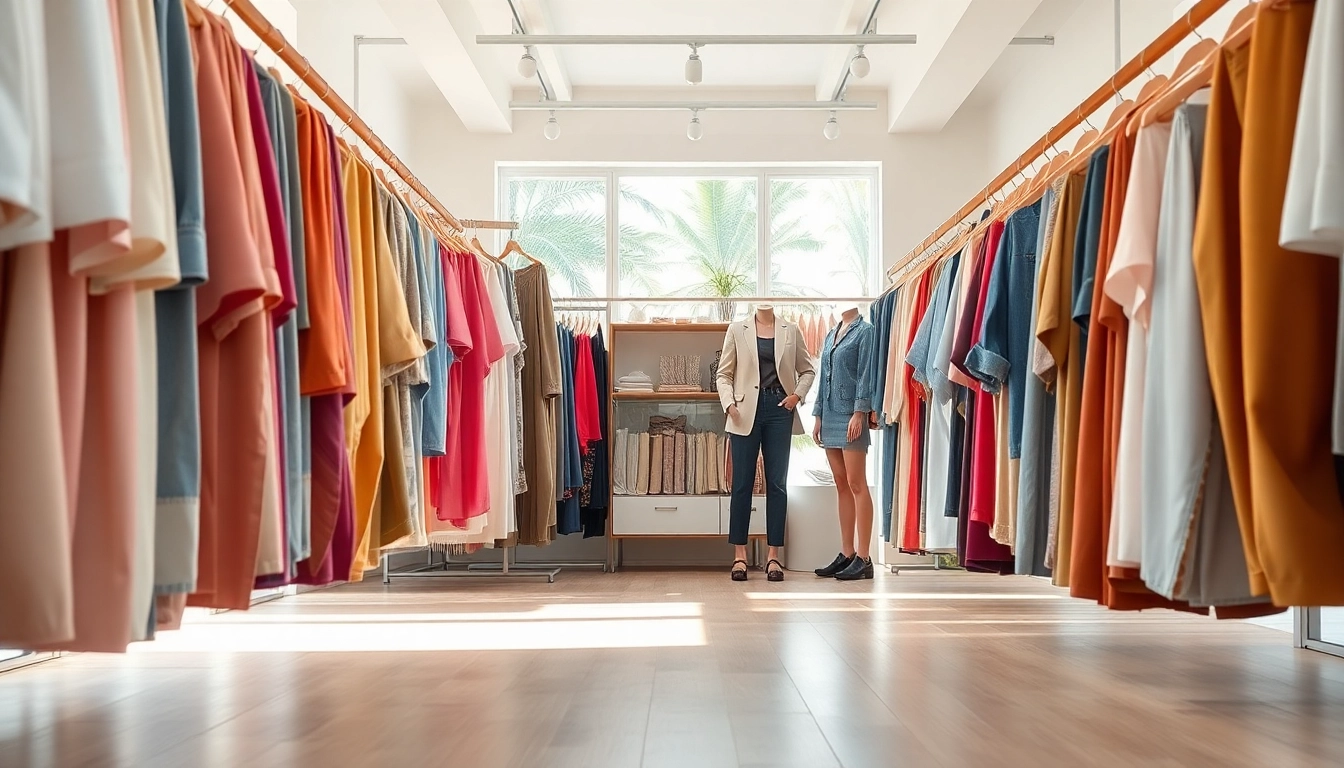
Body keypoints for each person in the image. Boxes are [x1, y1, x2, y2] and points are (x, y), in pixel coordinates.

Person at [716, 304, 816, 582]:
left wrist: (796, 396)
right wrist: (728, 404)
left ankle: (774, 556)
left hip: (779, 408)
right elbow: (723, 374)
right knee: (742, 484)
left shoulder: (791, 330)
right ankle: (740, 556)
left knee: (777, 483)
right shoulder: (737, 328)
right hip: (743, 411)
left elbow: (807, 371)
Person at [811, 306, 877, 581]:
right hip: (830, 414)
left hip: (851, 415)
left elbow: (866, 374)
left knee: (856, 483)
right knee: (840, 483)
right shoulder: (830, 334)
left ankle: (864, 557)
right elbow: (822, 378)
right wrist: (817, 416)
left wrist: (860, 412)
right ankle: (847, 552)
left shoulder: (866, 331)